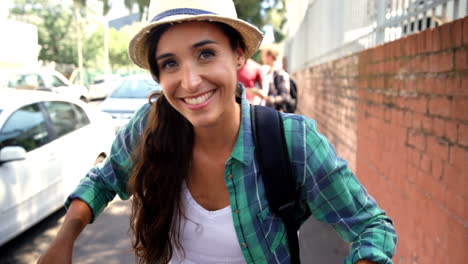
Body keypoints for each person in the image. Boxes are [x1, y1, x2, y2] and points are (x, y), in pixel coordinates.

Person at [38, 0, 397, 263]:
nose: (190, 81)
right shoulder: (149, 127)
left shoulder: (292, 142)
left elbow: (372, 227)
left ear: (238, 55)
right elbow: (104, 179)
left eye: (206, 54)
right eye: (170, 63)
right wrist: (65, 237)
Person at [258, 44, 296, 112]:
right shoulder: (269, 72)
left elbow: (285, 98)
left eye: (263, 55)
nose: (262, 58)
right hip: (267, 111)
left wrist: (267, 98)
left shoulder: (280, 74)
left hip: (275, 114)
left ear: (269, 57)